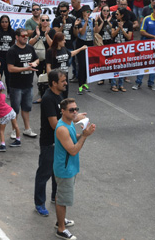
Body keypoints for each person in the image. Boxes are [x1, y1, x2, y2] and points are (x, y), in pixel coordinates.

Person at [54, 98, 96, 240]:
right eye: (71, 110)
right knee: (62, 199)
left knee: (61, 196)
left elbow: (73, 137)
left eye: (76, 109)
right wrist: (84, 136)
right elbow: (72, 150)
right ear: (63, 111)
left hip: (69, 167)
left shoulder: (69, 123)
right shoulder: (61, 128)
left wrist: (83, 133)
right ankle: (61, 229)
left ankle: (61, 220)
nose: (75, 112)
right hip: (65, 169)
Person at [34, 69, 68, 217]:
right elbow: (54, 124)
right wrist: (71, 120)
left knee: (57, 173)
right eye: (63, 81)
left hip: (58, 142)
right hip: (49, 143)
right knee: (44, 174)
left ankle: (56, 196)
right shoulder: (48, 98)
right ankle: (39, 203)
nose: (66, 83)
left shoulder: (58, 95)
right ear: (54, 83)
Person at [7, 28, 39, 139]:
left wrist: (34, 63)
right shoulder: (12, 50)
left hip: (28, 84)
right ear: (17, 37)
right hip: (16, 86)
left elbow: (37, 59)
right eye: (23, 36)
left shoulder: (30, 48)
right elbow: (10, 68)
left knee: (26, 108)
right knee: (15, 109)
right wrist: (26, 68)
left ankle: (27, 129)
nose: (26, 37)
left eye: (27, 35)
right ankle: (14, 130)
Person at [133, 3, 155, 91]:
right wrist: (154, 37)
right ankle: (138, 82)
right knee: (143, 64)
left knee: (154, 65)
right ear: (154, 10)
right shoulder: (147, 19)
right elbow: (142, 31)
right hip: (146, 46)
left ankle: (151, 83)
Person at [110, 8, 133, 92]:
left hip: (124, 49)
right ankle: (113, 84)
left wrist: (122, 29)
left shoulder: (129, 24)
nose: (116, 15)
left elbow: (129, 37)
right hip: (115, 47)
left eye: (117, 14)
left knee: (122, 66)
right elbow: (112, 35)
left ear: (122, 15)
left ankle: (121, 84)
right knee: (115, 66)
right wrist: (118, 28)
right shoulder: (115, 22)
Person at [75, 6, 93, 95]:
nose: (88, 13)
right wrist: (85, 21)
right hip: (82, 44)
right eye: (87, 11)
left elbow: (96, 31)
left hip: (90, 44)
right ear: (83, 12)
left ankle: (84, 83)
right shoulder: (79, 21)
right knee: (81, 65)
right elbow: (81, 32)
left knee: (87, 65)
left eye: (89, 11)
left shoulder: (92, 20)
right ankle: (80, 85)